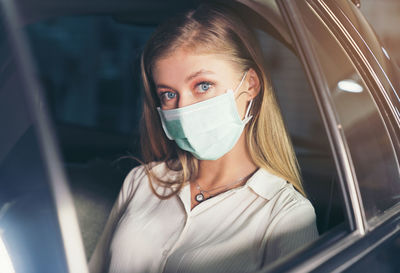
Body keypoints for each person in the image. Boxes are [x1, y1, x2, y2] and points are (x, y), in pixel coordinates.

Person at [89, 3, 318, 273]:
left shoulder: (285, 215)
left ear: (250, 84)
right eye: (168, 94)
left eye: (203, 86)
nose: (183, 109)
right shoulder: (142, 181)